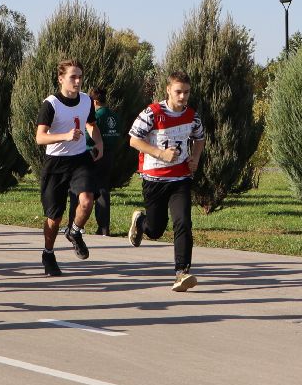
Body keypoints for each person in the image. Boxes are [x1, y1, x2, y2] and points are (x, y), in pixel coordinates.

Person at [126, 72, 206, 291]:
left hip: (180, 179)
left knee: (183, 222)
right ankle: (140, 222)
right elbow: (134, 140)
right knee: (155, 230)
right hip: (154, 179)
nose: (182, 97)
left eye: (186, 92)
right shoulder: (152, 113)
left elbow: (200, 138)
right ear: (168, 90)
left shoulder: (192, 116)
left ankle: (182, 273)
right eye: (178, 92)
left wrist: (195, 158)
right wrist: (160, 153)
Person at [34, 61, 101, 277]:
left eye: (80, 76)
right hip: (56, 163)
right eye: (73, 77)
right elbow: (40, 137)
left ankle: (74, 232)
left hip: (80, 159)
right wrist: (65, 136)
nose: (78, 81)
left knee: (87, 201)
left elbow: (91, 124)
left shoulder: (86, 100)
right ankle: (48, 253)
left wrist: (99, 143)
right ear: (61, 79)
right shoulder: (51, 104)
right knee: (54, 218)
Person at [73, 85, 121, 236]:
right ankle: (104, 227)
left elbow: (88, 136)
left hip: (93, 153)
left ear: (94, 102)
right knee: (103, 189)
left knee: (82, 189)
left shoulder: (96, 116)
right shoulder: (114, 115)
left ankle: (77, 225)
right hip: (109, 155)